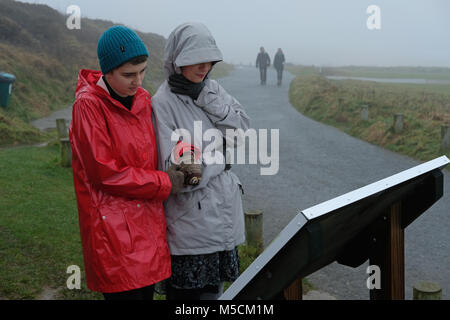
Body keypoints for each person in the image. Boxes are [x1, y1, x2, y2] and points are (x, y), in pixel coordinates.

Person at [69, 25, 186, 300]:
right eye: (128, 74)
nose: (138, 81)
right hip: (113, 234)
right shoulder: (87, 106)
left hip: (147, 225)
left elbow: (158, 148)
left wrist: (184, 156)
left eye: (142, 71)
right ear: (106, 71)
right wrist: (165, 181)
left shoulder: (144, 99)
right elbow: (104, 174)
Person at [151, 22, 250, 300]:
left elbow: (241, 132)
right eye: (195, 59)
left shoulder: (212, 89)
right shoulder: (163, 103)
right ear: (176, 59)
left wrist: (207, 98)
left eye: (209, 59)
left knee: (216, 297)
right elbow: (183, 174)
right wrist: (222, 158)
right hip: (190, 229)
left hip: (223, 221)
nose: (203, 66)